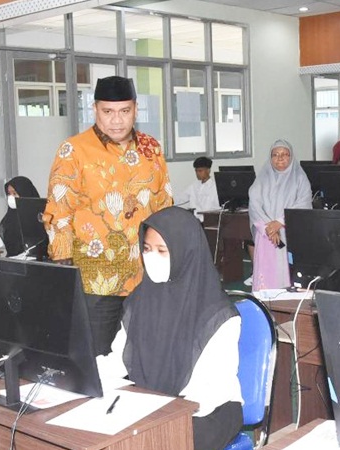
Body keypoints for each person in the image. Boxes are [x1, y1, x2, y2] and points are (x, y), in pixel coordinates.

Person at [45, 75, 172, 356]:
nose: (117, 120)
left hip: (145, 276)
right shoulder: (73, 151)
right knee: (96, 358)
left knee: (143, 356)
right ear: (95, 110)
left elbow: (164, 205)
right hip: (95, 281)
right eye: (108, 112)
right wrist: (64, 273)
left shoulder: (152, 149)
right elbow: (58, 213)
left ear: (136, 110)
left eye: (124, 111)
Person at [96, 207, 242, 450]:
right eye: (147, 249)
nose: (152, 257)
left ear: (186, 252)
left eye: (162, 251)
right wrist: (84, 373)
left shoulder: (219, 314)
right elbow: (119, 359)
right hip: (149, 403)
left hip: (207, 410)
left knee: (154, 442)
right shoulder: (139, 300)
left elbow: (210, 390)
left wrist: (159, 413)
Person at [248, 140, 312, 290]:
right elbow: (254, 204)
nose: (280, 158)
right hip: (266, 236)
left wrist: (279, 222)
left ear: (291, 157)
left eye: (284, 154)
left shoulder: (300, 179)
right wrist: (268, 228)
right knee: (266, 276)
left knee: (287, 275)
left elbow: (304, 204)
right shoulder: (262, 179)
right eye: (275, 155)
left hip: (289, 232)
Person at [0, 176, 41, 256]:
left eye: (14, 193)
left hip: (34, 264)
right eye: (9, 194)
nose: (11, 197)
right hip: (13, 262)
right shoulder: (9, 219)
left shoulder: (40, 218)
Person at [175, 156, 220, 222]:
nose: (197, 173)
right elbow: (181, 198)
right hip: (193, 220)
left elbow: (218, 208)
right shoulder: (194, 186)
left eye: (200, 171)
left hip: (207, 221)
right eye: (196, 171)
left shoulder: (214, 187)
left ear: (208, 171)